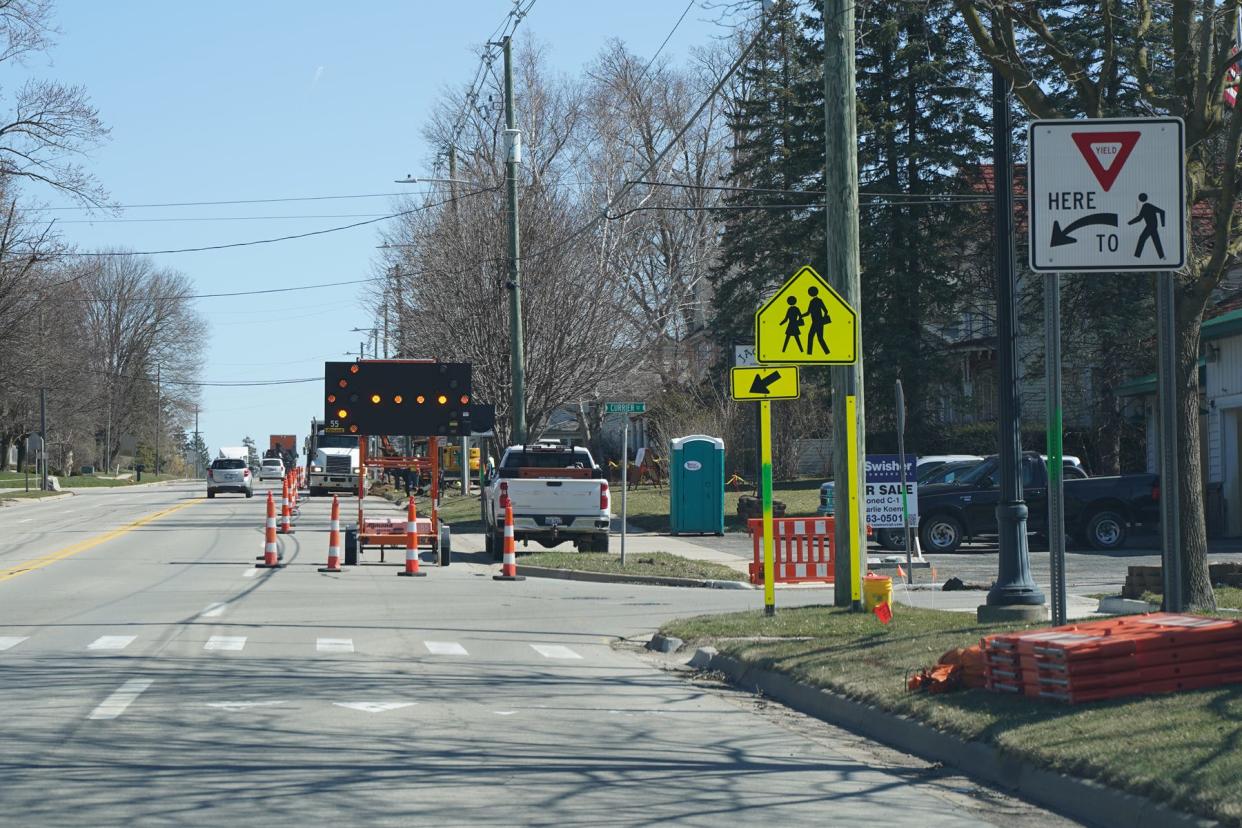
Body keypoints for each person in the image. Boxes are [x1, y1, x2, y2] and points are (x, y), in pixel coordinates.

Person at [1128, 192, 1166, 259]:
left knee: (1142, 238)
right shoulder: (1146, 206)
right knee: (1156, 240)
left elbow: (1162, 211)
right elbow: (1140, 218)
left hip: (1151, 225)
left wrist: (1163, 224)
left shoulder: (1146, 206)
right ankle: (1162, 256)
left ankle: (1136, 256)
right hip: (1152, 225)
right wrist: (1130, 222)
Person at [805, 286, 831, 355]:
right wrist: (823, 318)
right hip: (819, 322)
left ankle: (809, 353)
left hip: (816, 322)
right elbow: (826, 311)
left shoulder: (812, 302)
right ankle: (827, 352)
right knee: (819, 338)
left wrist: (801, 316)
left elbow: (808, 313)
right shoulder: (819, 300)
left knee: (811, 336)